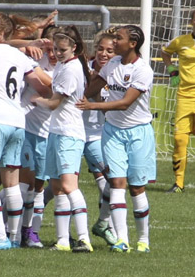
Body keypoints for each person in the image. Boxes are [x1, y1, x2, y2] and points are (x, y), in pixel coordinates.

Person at [0, 12, 51, 250]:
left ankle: (0, 237)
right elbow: (42, 86)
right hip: (17, 123)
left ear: (1, 32)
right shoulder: (20, 57)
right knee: (12, 182)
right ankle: (14, 237)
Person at [77, 25, 156, 253]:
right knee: (117, 183)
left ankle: (143, 240)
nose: (114, 43)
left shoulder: (143, 70)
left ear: (132, 44)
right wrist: (84, 86)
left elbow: (125, 103)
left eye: (118, 39)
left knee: (137, 188)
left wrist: (93, 105)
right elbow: (93, 87)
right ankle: (122, 240)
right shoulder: (111, 64)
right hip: (112, 132)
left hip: (139, 132)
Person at [31, 25, 93, 253]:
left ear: (74, 48)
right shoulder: (63, 66)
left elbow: (54, 103)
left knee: (68, 185)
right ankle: (63, 241)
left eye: (63, 49)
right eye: (55, 48)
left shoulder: (71, 69)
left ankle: (84, 239)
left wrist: (36, 99)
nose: (57, 53)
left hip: (69, 133)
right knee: (56, 187)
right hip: (56, 132)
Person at [19, 25, 58, 248]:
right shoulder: (33, 61)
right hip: (25, 129)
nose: (52, 54)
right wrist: (28, 46)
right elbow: (7, 47)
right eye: (49, 49)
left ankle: (32, 232)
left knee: (38, 187)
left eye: (56, 50)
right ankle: (1, 229)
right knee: (20, 184)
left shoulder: (67, 68)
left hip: (47, 135)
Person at [83, 30, 117, 246]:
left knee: (110, 183)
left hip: (97, 137)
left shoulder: (118, 74)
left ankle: (105, 226)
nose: (104, 54)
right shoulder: (83, 69)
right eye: (101, 49)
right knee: (49, 185)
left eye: (110, 51)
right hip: (74, 133)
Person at [161, 10, 195, 193]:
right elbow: (165, 52)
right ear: (191, 21)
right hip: (185, 95)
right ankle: (179, 183)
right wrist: (172, 69)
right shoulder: (181, 41)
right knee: (180, 139)